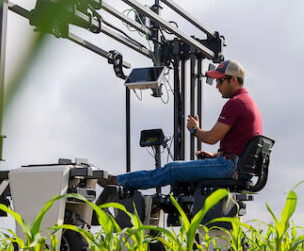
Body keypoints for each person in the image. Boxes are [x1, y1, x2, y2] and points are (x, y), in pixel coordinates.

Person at [101, 59, 263, 191]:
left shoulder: (236, 103)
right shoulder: (248, 103)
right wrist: (214, 156)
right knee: (176, 171)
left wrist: (194, 129)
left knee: (172, 169)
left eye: (220, 81)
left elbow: (211, 138)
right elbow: (241, 147)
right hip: (233, 165)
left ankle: (118, 181)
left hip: (228, 167)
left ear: (233, 80)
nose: (217, 86)